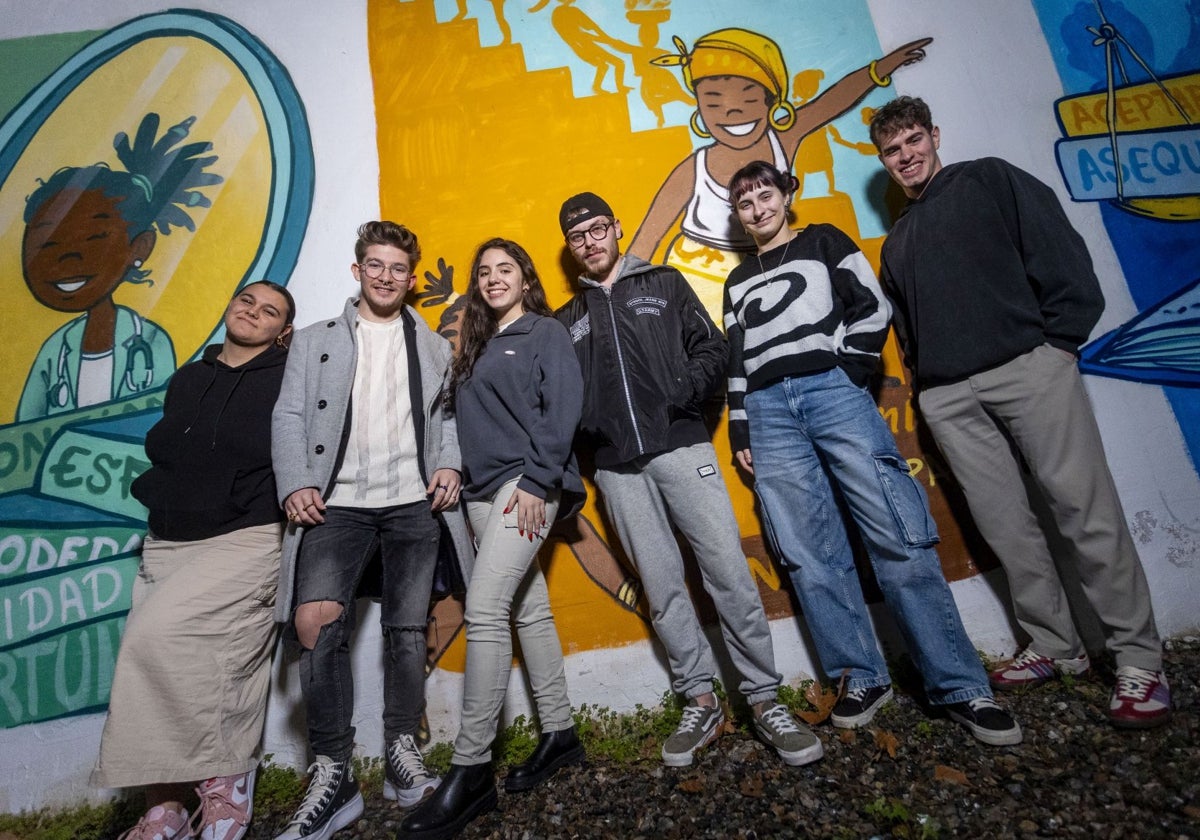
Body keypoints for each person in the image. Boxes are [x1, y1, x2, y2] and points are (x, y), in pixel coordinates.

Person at [869, 96, 1169, 728]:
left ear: (935, 135)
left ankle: (1139, 661)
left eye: (914, 140)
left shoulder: (990, 178)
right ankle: (1057, 647)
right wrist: (929, 390)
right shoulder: (896, 241)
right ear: (884, 161)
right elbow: (911, 329)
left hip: (1028, 369)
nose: (906, 156)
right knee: (1007, 526)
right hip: (951, 398)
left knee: (1084, 510)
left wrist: (1060, 344)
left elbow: (1059, 251)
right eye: (893, 150)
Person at [724, 160, 1022, 746]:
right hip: (767, 413)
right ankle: (862, 674)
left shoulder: (823, 241)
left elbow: (872, 306)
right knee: (809, 553)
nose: (757, 210)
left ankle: (960, 684)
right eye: (744, 204)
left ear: (786, 195)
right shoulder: (737, 282)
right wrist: (741, 431)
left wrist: (845, 371)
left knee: (895, 532)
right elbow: (737, 360)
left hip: (832, 392)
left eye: (765, 196)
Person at [554, 191, 823, 768]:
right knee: (663, 586)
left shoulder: (665, 283)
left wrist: (681, 394)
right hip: (616, 468)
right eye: (579, 237)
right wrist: (590, 431)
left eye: (599, 229)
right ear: (571, 249)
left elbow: (713, 348)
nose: (591, 242)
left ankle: (764, 699)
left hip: (682, 448)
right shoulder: (566, 320)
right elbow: (561, 401)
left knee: (727, 571)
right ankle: (700, 700)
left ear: (617, 228)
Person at [271, 221, 474, 840]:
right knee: (317, 624)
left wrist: (448, 462)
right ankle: (332, 773)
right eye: (375, 265)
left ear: (411, 279)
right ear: (358, 270)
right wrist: (295, 481)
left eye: (398, 268)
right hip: (337, 504)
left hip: (414, 503)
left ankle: (399, 755)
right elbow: (289, 414)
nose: (387, 276)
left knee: (408, 631)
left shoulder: (435, 346)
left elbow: (447, 417)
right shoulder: (314, 340)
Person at [91, 281, 296, 840]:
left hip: (244, 534)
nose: (253, 313)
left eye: (269, 311)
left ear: (283, 332)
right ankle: (167, 806)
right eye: (247, 302)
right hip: (167, 540)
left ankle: (228, 785)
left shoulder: (287, 378)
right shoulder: (190, 376)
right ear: (229, 305)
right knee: (159, 666)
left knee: (206, 652)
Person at [401, 238, 587, 839]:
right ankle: (559, 733)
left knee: (483, 610)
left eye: (505, 268)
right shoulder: (474, 346)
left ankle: (472, 766)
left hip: (524, 486)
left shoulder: (544, 332)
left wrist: (540, 480)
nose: (492, 278)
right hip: (481, 497)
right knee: (527, 610)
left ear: (526, 278)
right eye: (484, 272)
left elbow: (564, 407)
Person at [17, 112, 223, 420]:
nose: (66, 260)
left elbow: (159, 421)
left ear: (139, 247)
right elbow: (21, 433)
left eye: (94, 240)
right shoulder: (56, 350)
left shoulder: (151, 343)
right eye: (48, 245)